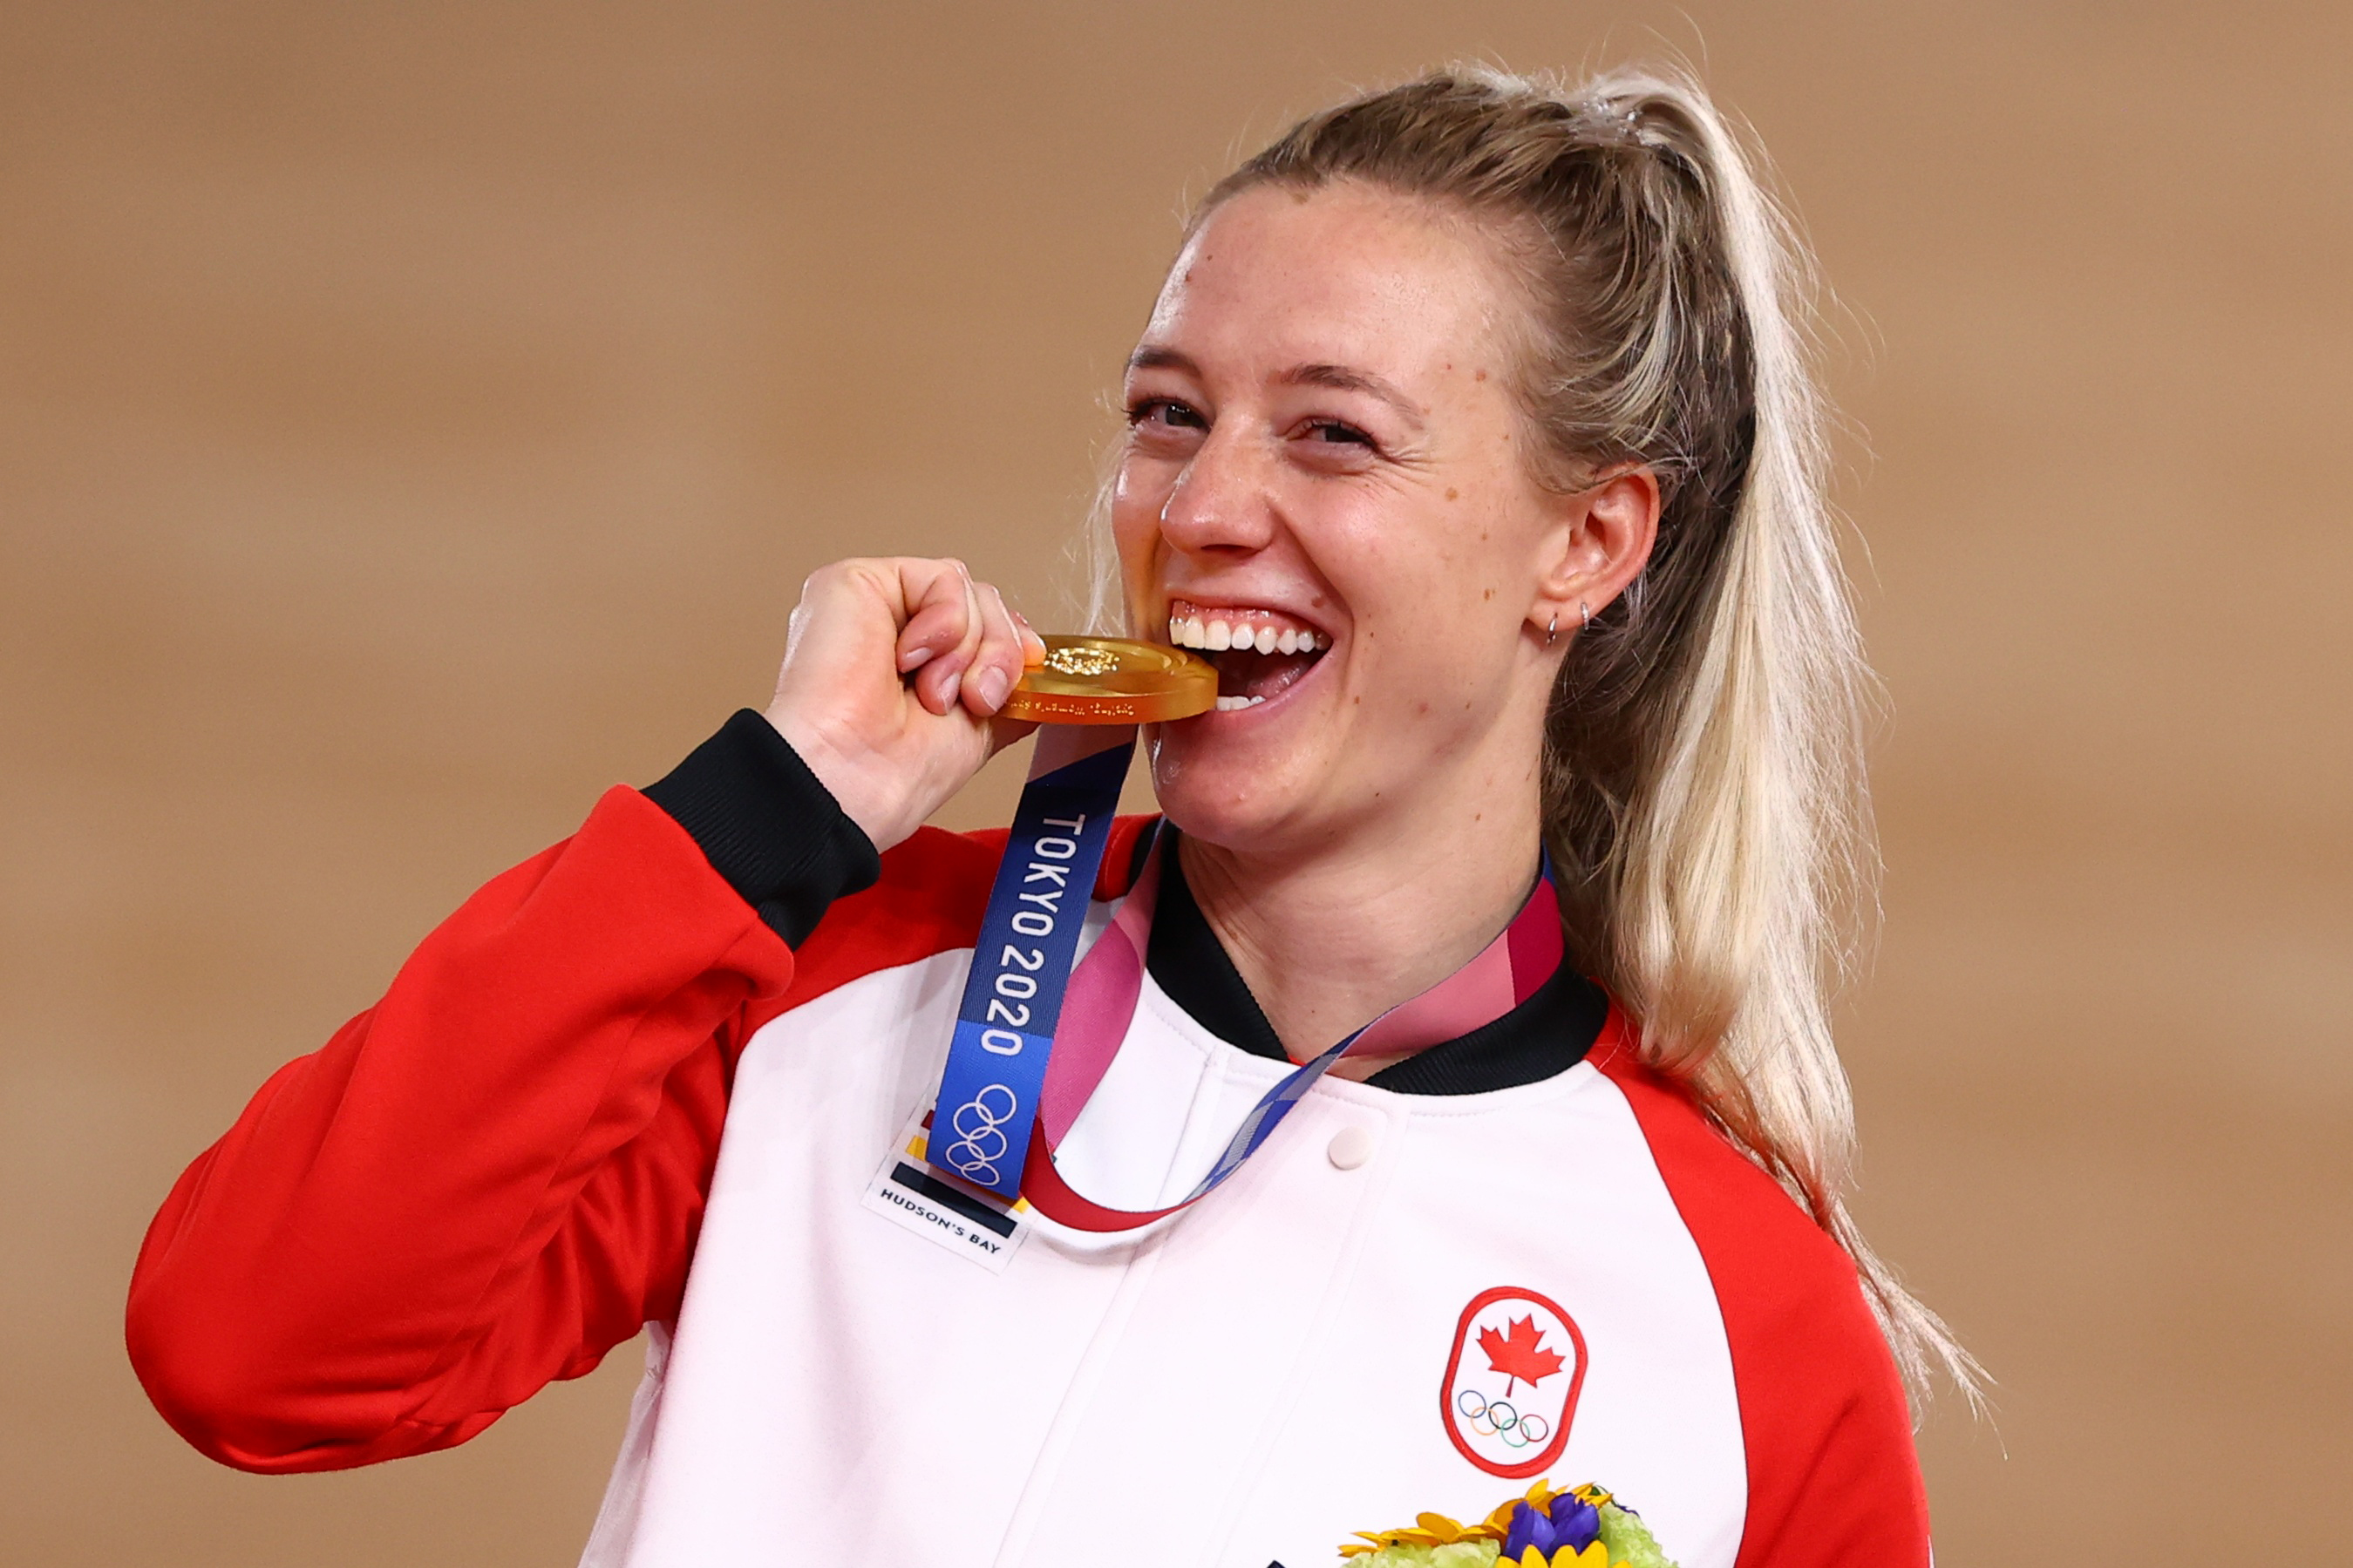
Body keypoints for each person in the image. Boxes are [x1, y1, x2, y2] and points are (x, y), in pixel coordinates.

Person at [126, 64, 1972, 1568]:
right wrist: (779, 807)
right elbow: (252, 1348)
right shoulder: (824, 980)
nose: (1201, 507)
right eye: (1168, 415)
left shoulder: (1742, 1319)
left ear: (1587, 544)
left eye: (1331, 432)